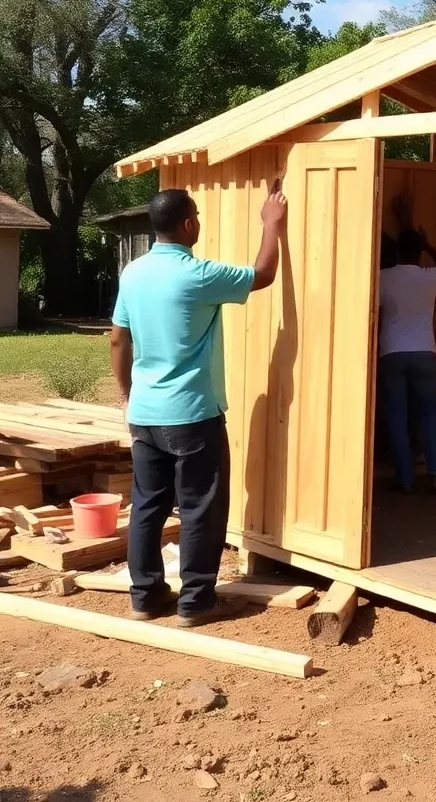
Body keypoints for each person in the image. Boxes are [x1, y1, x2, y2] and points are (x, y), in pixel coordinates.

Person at [110, 183, 287, 626]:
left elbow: (117, 338)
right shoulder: (199, 275)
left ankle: (145, 598)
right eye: (197, 215)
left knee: (148, 506)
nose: (200, 223)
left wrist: (128, 394)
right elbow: (263, 274)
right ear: (188, 224)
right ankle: (195, 602)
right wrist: (272, 223)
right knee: (200, 507)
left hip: (146, 414)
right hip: (192, 414)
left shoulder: (132, 273)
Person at [377, 194, 436, 493]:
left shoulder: (384, 277)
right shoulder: (430, 276)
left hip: (392, 353)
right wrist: (428, 245)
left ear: (397, 251)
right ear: (419, 252)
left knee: (397, 416)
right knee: (429, 415)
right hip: (425, 352)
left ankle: (405, 479)